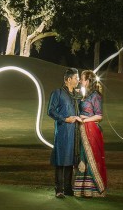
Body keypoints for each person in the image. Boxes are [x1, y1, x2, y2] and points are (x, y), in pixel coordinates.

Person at [47, 67, 81, 198]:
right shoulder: (58, 93)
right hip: (62, 131)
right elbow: (50, 110)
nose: (78, 80)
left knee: (70, 159)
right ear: (68, 79)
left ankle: (68, 188)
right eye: (76, 78)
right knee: (61, 159)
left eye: (78, 78)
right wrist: (65, 119)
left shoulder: (76, 95)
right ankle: (59, 189)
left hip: (74, 132)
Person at [73, 69, 107, 197]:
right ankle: (82, 190)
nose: (81, 81)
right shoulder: (84, 95)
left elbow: (99, 116)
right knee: (83, 157)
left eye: (82, 79)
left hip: (91, 130)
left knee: (91, 157)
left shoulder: (96, 96)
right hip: (82, 129)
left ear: (88, 81)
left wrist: (85, 119)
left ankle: (94, 190)